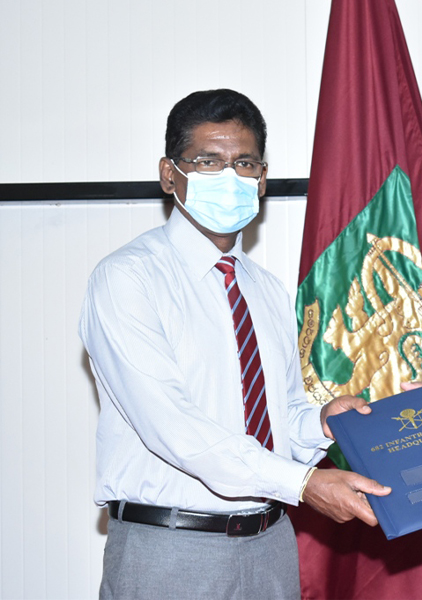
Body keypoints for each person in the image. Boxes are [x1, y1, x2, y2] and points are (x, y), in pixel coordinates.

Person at [79, 88, 390, 599]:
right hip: (170, 549)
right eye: (207, 161)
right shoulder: (127, 279)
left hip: (269, 544)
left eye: (243, 162)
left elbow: (276, 415)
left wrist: (320, 422)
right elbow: (174, 427)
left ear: (262, 179)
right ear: (169, 174)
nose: (229, 177)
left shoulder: (263, 289)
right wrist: (304, 485)